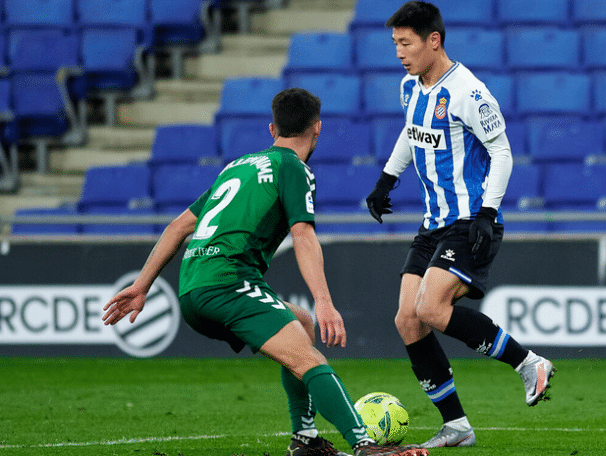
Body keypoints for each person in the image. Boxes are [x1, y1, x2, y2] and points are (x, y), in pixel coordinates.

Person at [103, 88, 429, 456]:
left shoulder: (238, 166)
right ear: (317, 128)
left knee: (301, 322)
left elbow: (179, 226)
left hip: (193, 286)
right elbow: (303, 235)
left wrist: (142, 286)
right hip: (228, 283)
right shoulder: (293, 168)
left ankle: (305, 439)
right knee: (310, 360)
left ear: (272, 129)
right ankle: (365, 446)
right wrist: (325, 300)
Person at [365, 2, 555, 449]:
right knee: (408, 320)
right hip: (433, 223)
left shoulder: (469, 92)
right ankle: (457, 426)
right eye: (395, 44)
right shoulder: (410, 87)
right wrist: (386, 178)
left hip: (469, 221)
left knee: (430, 309)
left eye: (406, 43)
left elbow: (502, 152)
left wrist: (488, 212)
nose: (399, 52)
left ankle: (528, 363)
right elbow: (411, 132)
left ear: (433, 40)